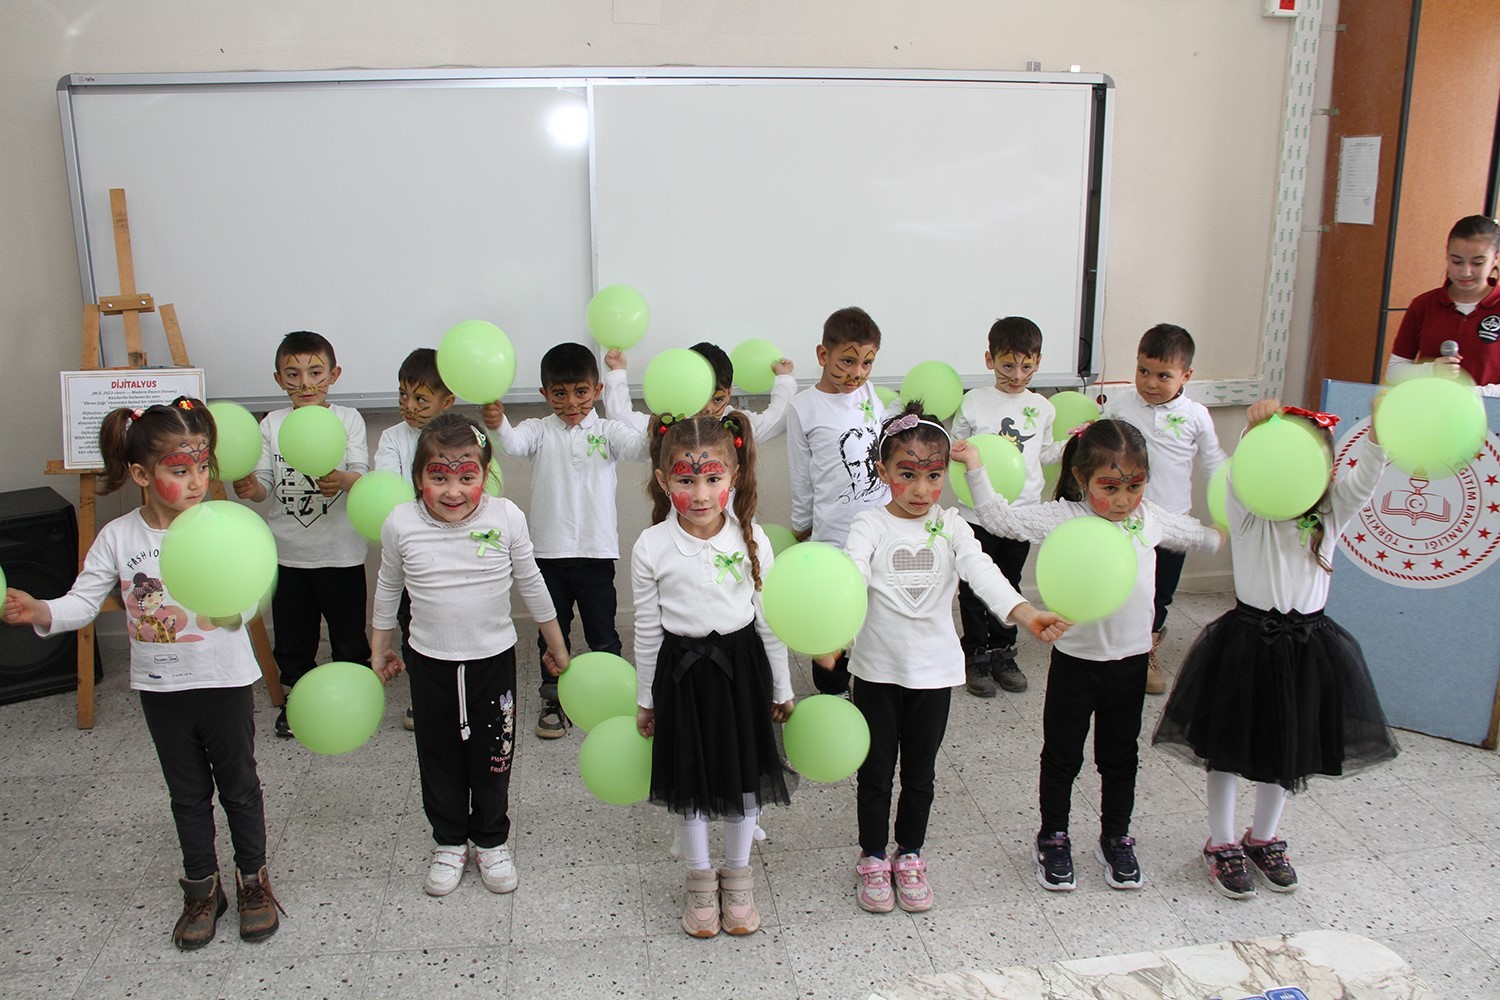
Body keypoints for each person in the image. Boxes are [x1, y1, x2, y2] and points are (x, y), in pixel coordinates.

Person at [3, 398, 282, 949]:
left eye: (203, 466)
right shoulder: (119, 537)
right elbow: (83, 602)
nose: (197, 481)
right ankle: (202, 889)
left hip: (223, 680)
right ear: (141, 474)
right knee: (187, 794)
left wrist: (235, 610)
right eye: (180, 469)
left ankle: (253, 881)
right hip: (162, 688)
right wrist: (39, 610)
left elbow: (251, 593)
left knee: (240, 787)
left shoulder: (225, 525)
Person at [818, 403, 1069, 914]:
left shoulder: (952, 525)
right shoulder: (869, 525)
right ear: (882, 471)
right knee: (875, 773)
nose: (921, 489)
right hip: (877, 672)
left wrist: (1025, 614)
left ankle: (910, 854)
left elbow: (985, 573)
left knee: (921, 774)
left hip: (933, 675)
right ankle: (872, 856)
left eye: (933, 476)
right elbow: (851, 576)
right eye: (907, 474)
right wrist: (834, 635)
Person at [957, 419, 1221, 892]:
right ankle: (1053, 836)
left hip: (1131, 662)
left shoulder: (1150, 518)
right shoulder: (1066, 518)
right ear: (1082, 478)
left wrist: (1246, 521)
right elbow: (1001, 521)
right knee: (1062, 756)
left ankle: (1116, 836)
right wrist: (976, 467)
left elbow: (1198, 535)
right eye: (1110, 487)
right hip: (1076, 663)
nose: (1124, 500)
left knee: (1120, 758)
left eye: (1135, 486)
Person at [1152, 399, 1399, 899]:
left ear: (1324, 471)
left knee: (1286, 745)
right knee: (1226, 748)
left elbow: (1366, 478)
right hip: (1246, 643)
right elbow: (1240, 477)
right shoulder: (1249, 514)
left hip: (1305, 647)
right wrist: (1253, 433)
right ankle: (1222, 842)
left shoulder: (1330, 512)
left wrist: (1379, 431)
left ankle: (1263, 836)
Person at [371, 413, 570, 897]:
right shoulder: (401, 523)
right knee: (438, 757)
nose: (453, 490)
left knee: (493, 756)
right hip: (429, 663)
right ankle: (448, 840)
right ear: (418, 477)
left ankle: (491, 838)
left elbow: (532, 584)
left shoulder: (506, 517)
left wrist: (558, 647)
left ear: (486, 474)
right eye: (438, 477)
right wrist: (379, 649)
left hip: (492, 662)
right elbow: (387, 587)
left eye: (467, 476)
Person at [631, 411, 793, 937]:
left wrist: (782, 686)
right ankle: (700, 880)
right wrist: (646, 698)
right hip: (680, 677)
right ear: (663, 480)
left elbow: (770, 621)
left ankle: (738, 877)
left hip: (741, 672)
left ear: (735, 475)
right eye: (685, 480)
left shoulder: (753, 538)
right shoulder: (651, 546)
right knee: (690, 779)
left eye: (712, 478)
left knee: (744, 777)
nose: (700, 494)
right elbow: (647, 628)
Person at [481, 342, 648, 738]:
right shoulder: (539, 430)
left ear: (597, 390)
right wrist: (497, 422)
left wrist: (659, 429)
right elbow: (512, 443)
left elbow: (639, 450)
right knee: (552, 634)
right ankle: (553, 698)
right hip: (548, 555)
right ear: (545, 393)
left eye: (581, 392)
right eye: (560, 393)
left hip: (596, 555)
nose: (571, 403)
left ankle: (611, 696)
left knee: (602, 632)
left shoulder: (607, 430)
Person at [233, 330, 370, 739]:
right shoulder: (271, 424)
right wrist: (250, 488)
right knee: (293, 639)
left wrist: (342, 480)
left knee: (348, 635)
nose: (305, 383)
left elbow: (362, 477)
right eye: (292, 374)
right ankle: (296, 700)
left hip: (342, 553)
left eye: (315, 372)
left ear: (334, 374)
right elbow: (263, 485)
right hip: (288, 554)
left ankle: (353, 698)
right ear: (279, 379)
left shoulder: (348, 418)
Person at [1103, 324, 1227, 695]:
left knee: (1159, 592)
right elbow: (1098, 449)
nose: (1150, 383)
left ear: (1186, 376)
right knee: (1122, 585)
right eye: (1143, 371)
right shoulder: (1121, 404)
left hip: (1173, 523)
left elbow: (1214, 464)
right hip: (1123, 518)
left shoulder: (1196, 415)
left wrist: (1229, 508)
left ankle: (1148, 649)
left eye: (1163, 376)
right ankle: (1114, 649)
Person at [951, 316, 1066, 697]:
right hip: (978, 513)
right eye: (1007, 365)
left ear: (1038, 362)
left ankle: (1003, 650)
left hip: (1021, 515)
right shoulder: (973, 401)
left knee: (1009, 581)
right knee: (973, 585)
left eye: (1026, 366)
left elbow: (1043, 453)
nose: (1017, 376)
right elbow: (956, 448)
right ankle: (976, 654)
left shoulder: (1043, 407)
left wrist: (1072, 444)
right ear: (990, 360)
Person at [786, 306, 891, 695]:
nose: (857, 373)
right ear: (823, 354)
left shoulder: (869, 394)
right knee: (833, 615)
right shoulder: (803, 407)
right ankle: (833, 692)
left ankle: (872, 686)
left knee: (875, 614)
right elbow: (800, 475)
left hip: (878, 527)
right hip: (833, 531)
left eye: (867, 363)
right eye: (848, 361)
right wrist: (802, 524)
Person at [373, 347, 458, 732]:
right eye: (403, 395)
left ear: (447, 402)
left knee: (450, 619)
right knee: (413, 624)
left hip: (455, 551)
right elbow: (389, 490)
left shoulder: (460, 436)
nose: (409, 406)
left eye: (421, 399)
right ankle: (421, 695)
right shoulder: (392, 438)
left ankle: (455, 689)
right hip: (414, 554)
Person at [1385, 214, 1500, 396]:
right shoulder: (1423, 305)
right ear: (1446, 256)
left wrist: (1474, 394)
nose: (1465, 272)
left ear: (1495, 258)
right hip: (1430, 408)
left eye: (1477, 262)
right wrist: (1431, 370)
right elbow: (1394, 372)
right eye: (1456, 261)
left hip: (1487, 411)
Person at [601, 341, 798, 440]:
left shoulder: (736, 424)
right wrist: (617, 372)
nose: (708, 408)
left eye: (718, 399)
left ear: (729, 393)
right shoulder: (670, 425)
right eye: (701, 398)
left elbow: (776, 420)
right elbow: (622, 419)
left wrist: (784, 379)